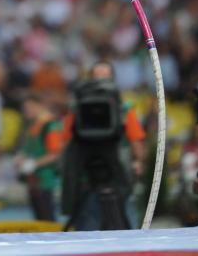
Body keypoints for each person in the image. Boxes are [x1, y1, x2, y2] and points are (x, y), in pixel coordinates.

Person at [61, 61, 146, 231]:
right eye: (97, 76)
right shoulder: (77, 108)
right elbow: (68, 140)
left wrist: (138, 162)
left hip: (117, 171)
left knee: (125, 213)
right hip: (87, 174)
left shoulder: (123, 109)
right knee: (88, 221)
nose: (101, 80)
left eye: (105, 76)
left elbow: (136, 139)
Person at [15, 93, 63, 221]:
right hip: (33, 180)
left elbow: (54, 154)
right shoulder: (33, 126)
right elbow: (28, 149)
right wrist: (21, 158)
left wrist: (33, 164)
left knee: (46, 216)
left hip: (45, 179)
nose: (27, 111)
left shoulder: (50, 126)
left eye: (29, 108)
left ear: (40, 106)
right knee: (38, 217)